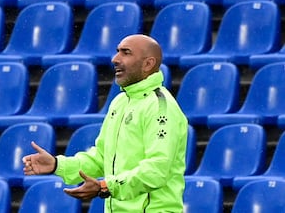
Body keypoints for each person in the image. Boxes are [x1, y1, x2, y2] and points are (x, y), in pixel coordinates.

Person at [22, 34, 188, 212]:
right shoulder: (120, 102)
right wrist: (57, 165)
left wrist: (105, 186)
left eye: (126, 53)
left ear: (148, 64)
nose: (115, 59)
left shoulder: (160, 107)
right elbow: (101, 158)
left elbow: (157, 169)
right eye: (117, 52)